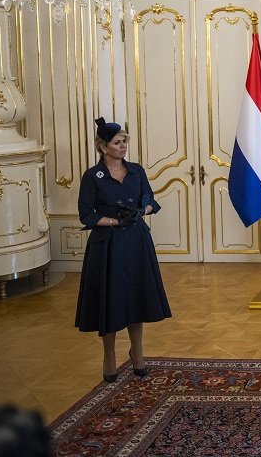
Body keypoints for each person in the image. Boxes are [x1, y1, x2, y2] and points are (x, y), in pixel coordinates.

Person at [75, 117, 171, 382]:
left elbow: (151, 200)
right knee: (111, 299)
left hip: (136, 241)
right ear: (103, 146)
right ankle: (109, 356)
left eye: (125, 141)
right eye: (117, 142)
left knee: (136, 297)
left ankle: (137, 352)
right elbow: (86, 214)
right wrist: (114, 222)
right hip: (107, 245)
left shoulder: (136, 171)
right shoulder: (92, 176)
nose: (123, 146)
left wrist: (142, 211)